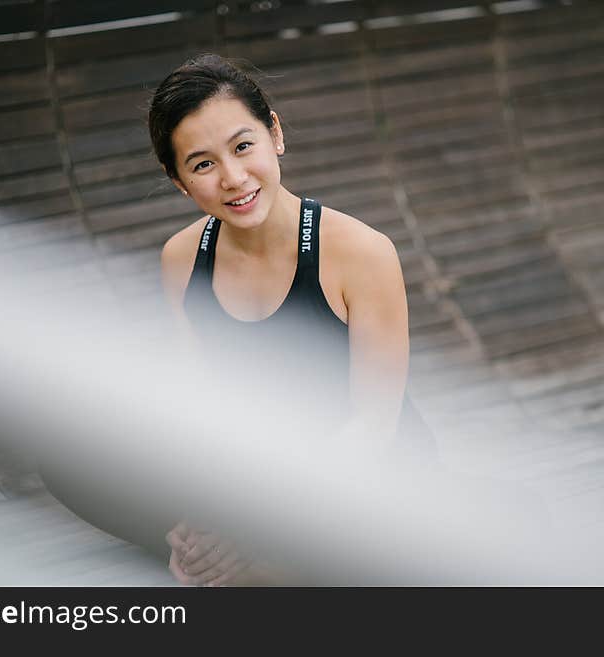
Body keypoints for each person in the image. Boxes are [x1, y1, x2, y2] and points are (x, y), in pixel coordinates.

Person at [149, 53, 437, 587]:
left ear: (274, 133)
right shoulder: (181, 260)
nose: (234, 178)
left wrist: (253, 530)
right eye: (203, 163)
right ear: (178, 180)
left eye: (243, 146)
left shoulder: (362, 253)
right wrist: (194, 526)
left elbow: (375, 426)